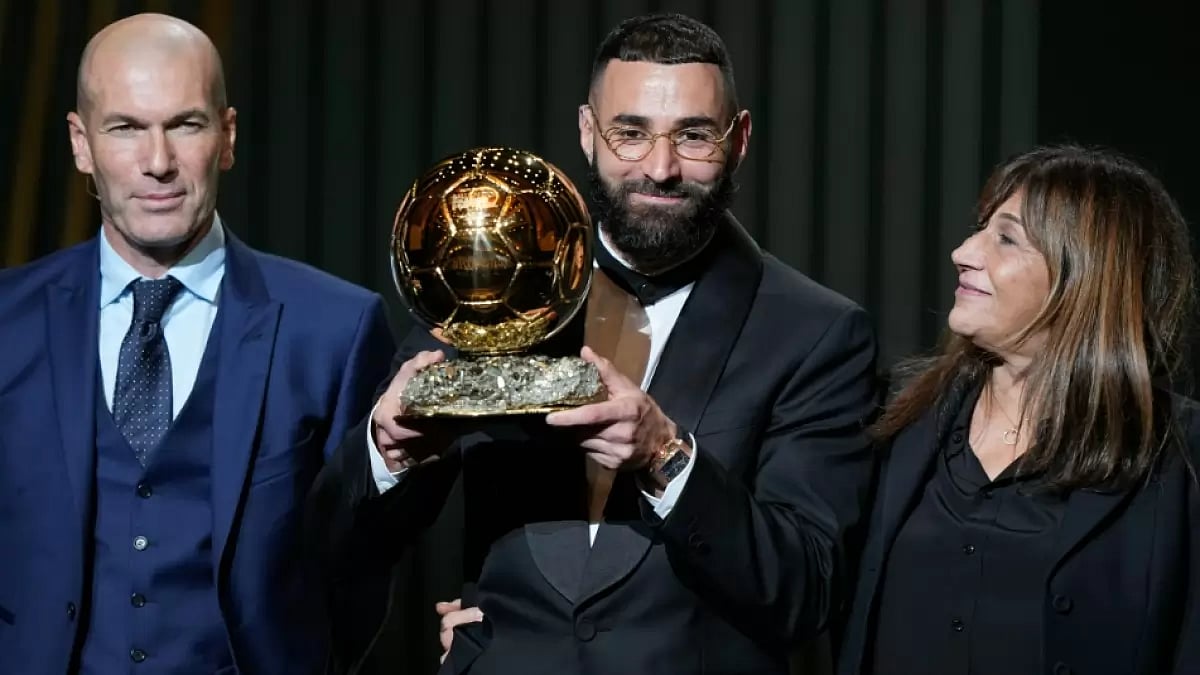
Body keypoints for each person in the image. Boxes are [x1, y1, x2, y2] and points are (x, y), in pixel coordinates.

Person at [309, 12, 879, 675]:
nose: (660, 168)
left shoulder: (816, 332)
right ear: (588, 133)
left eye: (693, 136)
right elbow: (338, 551)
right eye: (630, 133)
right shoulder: (493, 286)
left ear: (740, 137)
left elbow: (805, 589)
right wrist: (386, 450)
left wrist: (666, 455)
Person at [0, 13, 394, 675]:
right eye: (126, 127)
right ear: (80, 142)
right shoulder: (7, 319)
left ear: (228, 135)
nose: (159, 163)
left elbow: (358, 570)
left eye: (185, 124)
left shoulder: (335, 329)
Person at [836, 145, 1200, 675]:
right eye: (981, 228)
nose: (963, 252)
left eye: (1005, 238)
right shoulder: (898, 411)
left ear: (1086, 277)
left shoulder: (1179, 452)